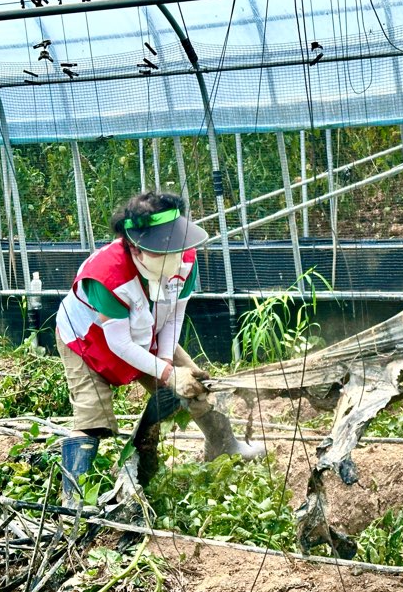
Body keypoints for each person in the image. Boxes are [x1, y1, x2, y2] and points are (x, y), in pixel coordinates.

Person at [56, 192, 264, 505]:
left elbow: (173, 316)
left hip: (148, 327)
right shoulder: (106, 276)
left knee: (196, 384)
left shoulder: (186, 261)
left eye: (179, 247)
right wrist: (167, 373)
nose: (177, 258)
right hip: (87, 339)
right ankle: (73, 497)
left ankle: (225, 445)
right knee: (92, 416)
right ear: (138, 249)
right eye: (165, 251)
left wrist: (167, 365)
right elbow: (119, 343)